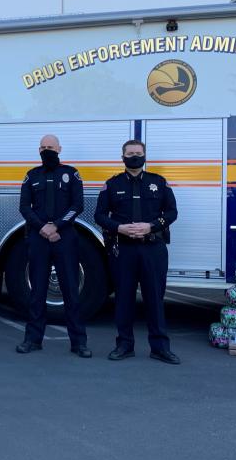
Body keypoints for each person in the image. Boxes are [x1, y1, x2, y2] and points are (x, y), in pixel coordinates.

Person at [95, 139, 180, 364]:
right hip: (123, 250)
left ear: (144, 155)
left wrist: (151, 226)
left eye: (138, 152)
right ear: (122, 157)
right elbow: (99, 215)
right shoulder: (111, 185)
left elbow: (172, 212)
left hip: (153, 248)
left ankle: (160, 348)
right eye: (130, 153)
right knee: (123, 299)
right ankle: (124, 345)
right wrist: (119, 227)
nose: (134, 156)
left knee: (155, 299)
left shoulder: (158, 183)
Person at [16, 135, 90, 358]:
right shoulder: (32, 176)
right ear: (39, 149)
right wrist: (42, 228)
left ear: (59, 149)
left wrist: (56, 226)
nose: (47, 150)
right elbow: (24, 207)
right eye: (43, 147)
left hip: (65, 238)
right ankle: (33, 339)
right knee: (37, 291)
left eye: (51, 147)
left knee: (70, 291)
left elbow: (78, 205)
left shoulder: (71, 173)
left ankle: (78, 342)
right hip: (39, 239)